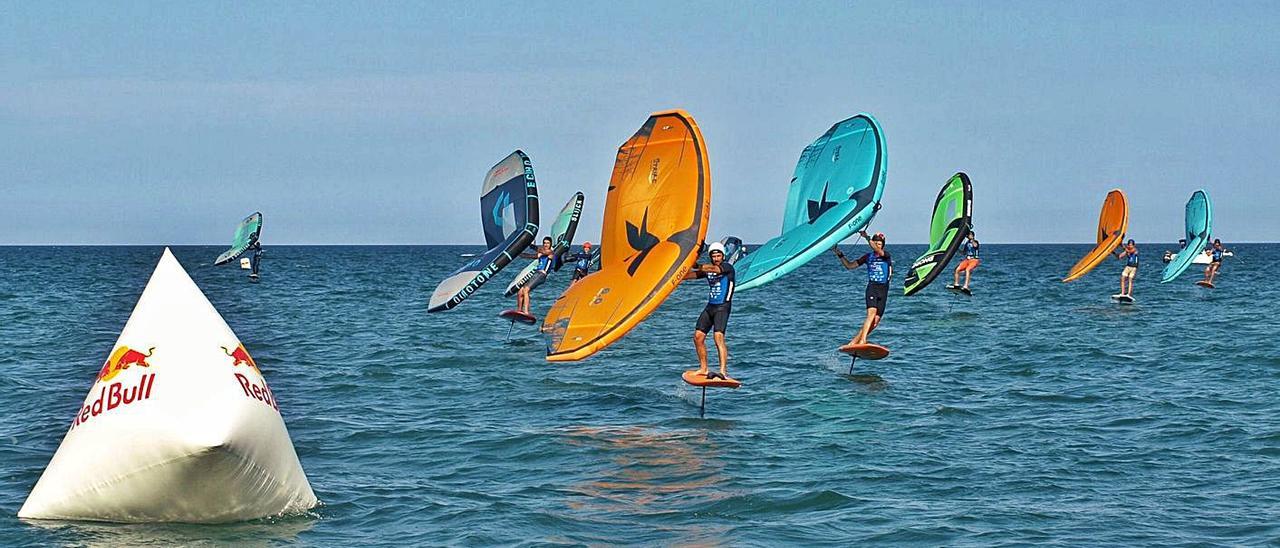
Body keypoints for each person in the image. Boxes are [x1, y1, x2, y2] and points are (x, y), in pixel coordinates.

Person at [683, 241, 735, 380]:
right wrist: (676, 274)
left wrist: (697, 265)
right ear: (711, 257)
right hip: (710, 307)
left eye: (719, 256)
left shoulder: (727, 267)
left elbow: (714, 270)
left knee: (718, 337)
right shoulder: (709, 271)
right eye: (714, 256)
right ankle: (703, 368)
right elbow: (690, 275)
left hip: (723, 307)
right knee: (698, 337)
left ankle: (723, 371)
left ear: (723, 256)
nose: (716, 258)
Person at [833, 231, 892, 346]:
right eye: (876, 243)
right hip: (872, 288)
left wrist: (867, 237)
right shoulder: (868, 257)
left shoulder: (886, 256)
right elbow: (850, 266)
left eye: (880, 244)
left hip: (884, 291)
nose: (877, 245)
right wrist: (839, 253)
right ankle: (863, 340)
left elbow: (878, 250)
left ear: (882, 245)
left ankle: (854, 342)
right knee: (871, 314)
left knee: (875, 322)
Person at [517, 237, 554, 315]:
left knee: (526, 290)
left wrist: (532, 246)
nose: (546, 244)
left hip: (542, 274)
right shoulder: (542, 252)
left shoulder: (550, 252)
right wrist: (519, 254)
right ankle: (519, 311)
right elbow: (531, 256)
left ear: (551, 244)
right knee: (520, 291)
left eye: (548, 243)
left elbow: (540, 251)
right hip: (536, 274)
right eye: (544, 243)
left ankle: (526, 312)